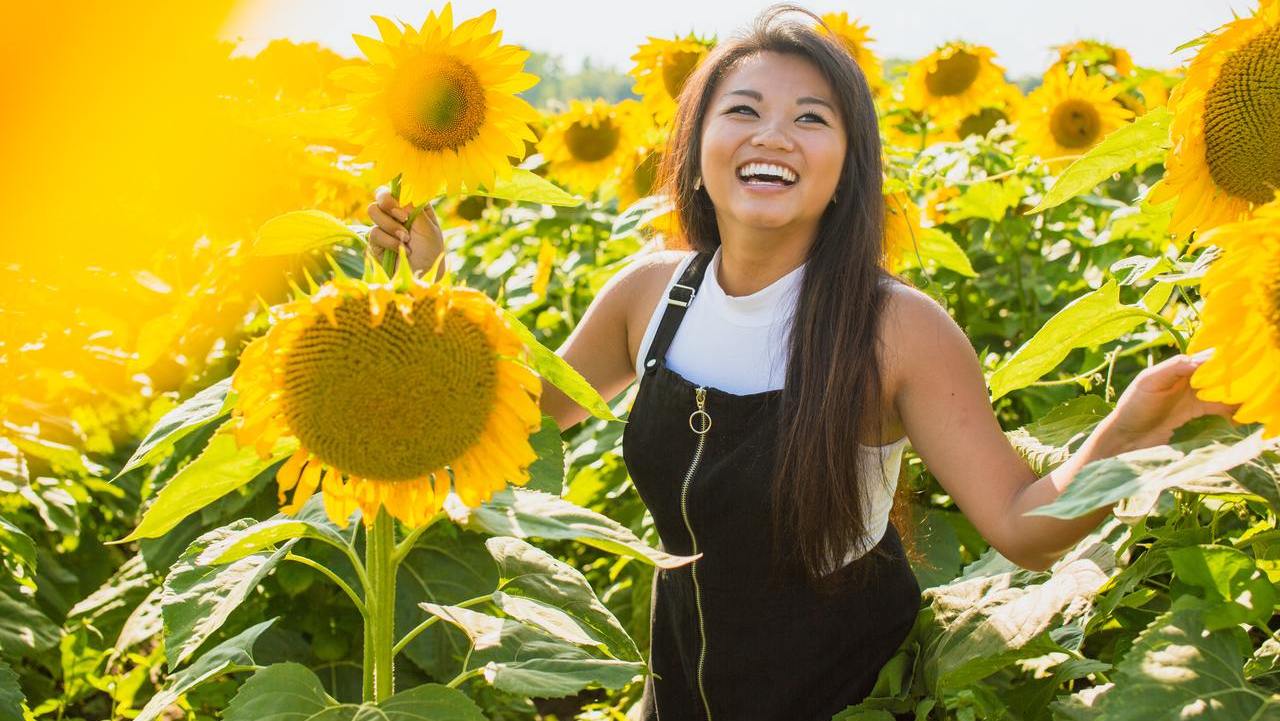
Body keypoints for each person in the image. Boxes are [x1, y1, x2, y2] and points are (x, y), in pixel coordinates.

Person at [365, 6, 1240, 719]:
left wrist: (1123, 435)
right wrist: (429, 289)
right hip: (676, 696)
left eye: (810, 118)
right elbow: (506, 424)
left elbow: (1018, 523)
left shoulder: (894, 329)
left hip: (847, 696)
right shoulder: (648, 296)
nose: (771, 135)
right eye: (741, 109)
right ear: (696, 149)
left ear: (846, 169)